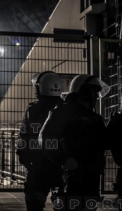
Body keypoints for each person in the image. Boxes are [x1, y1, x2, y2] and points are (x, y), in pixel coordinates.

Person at [38, 74, 109, 211]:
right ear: (83, 91)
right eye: (93, 91)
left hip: (91, 178)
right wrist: (63, 159)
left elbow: (104, 142)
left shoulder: (95, 118)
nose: (96, 96)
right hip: (70, 178)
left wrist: (114, 126)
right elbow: (45, 138)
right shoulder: (63, 112)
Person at [16, 71, 64, 211]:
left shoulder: (33, 110)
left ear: (39, 88)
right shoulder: (67, 109)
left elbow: (24, 136)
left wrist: (24, 158)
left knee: (34, 204)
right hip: (60, 165)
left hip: (38, 166)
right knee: (62, 202)